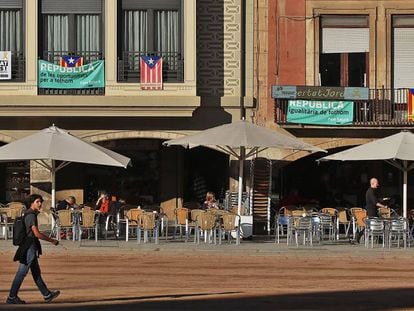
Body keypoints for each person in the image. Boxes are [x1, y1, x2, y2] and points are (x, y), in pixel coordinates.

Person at [6, 194, 60, 304]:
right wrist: (52, 240)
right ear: (32, 203)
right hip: (29, 247)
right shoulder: (31, 215)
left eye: (40, 202)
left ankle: (47, 294)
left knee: (36, 272)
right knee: (21, 273)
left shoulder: (29, 214)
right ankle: (12, 297)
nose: (40, 204)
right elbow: (37, 234)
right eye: (37, 202)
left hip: (29, 246)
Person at [355, 178, 388, 243]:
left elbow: (375, 200)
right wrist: (384, 206)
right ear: (372, 183)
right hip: (371, 211)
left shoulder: (372, 191)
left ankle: (378, 238)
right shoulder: (370, 191)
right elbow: (375, 202)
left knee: (372, 225)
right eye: (377, 183)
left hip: (373, 210)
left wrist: (382, 199)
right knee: (376, 224)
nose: (378, 185)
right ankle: (379, 238)